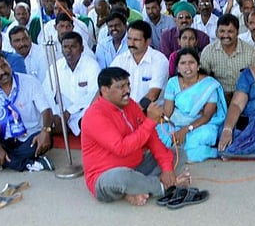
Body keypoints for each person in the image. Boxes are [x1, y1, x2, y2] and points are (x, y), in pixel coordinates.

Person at [81, 67, 189, 206]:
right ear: (105, 90)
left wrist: (167, 168)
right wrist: (150, 121)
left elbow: (152, 138)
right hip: (106, 176)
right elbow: (121, 148)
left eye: (128, 85)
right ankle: (163, 187)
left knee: (178, 153)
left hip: (137, 166)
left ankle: (135, 190)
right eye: (121, 87)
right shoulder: (94, 116)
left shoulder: (130, 104)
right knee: (122, 177)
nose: (127, 90)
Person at [154, 48, 227, 163]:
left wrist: (185, 130)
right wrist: (171, 130)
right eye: (183, 63)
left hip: (200, 125)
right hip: (176, 122)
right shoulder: (173, 82)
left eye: (191, 63)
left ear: (198, 66)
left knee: (200, 137)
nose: (187, 67)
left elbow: (207, 116)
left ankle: (210, 152)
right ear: (178, 68)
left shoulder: (209, 85)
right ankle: (178, 149)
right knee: (158, 135)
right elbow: (168, 112)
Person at [110, 20, 169, 108]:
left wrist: (132, 113)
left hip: (150, 113)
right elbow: (108, 85)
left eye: (136, 40)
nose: (131, 43)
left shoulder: (159, 60)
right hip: (124, 111)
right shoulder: (120, 60)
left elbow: (153, 94)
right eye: (129, 39)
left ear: (148, 41)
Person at [201, 14, 255, 98]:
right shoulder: (208, 51)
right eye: (222, 31)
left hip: (243, 96)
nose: (226, 35)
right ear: (217, 32)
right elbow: (202, 80)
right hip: (217, 96)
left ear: (237, 32)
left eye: (230, 31)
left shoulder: (250, 52)